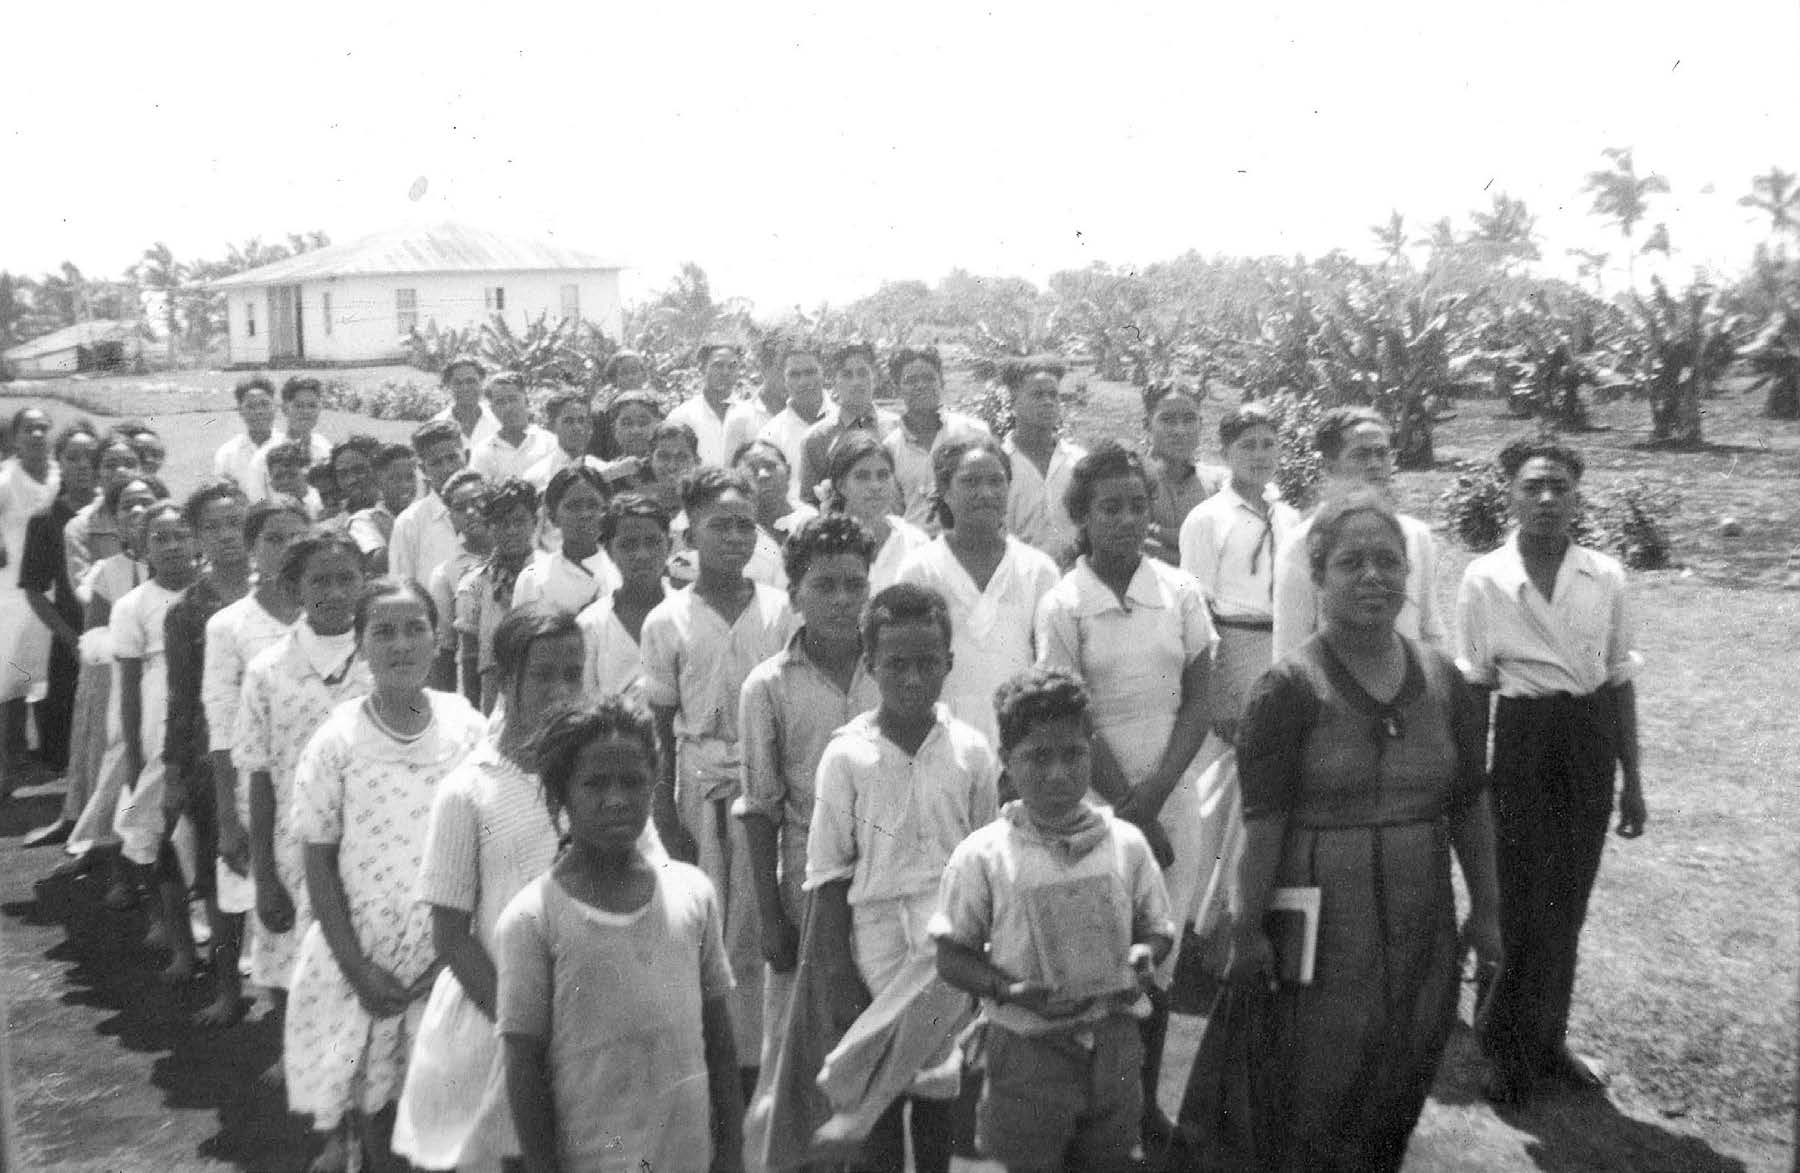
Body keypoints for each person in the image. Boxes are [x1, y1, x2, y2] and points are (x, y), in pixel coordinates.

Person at [1214, 491, 1502, 1172]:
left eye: (1388, 561)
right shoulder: (1288, 688)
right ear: (1318, 578)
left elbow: (1468, 804)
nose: (1373, 575)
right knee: (1311, 1102)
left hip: (1423, 930)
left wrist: (1488, 911)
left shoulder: (1444, 681)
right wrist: (1247, 927)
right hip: (1321, 944)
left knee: (1397, 1089)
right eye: (1351, 562)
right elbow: (1263, 825)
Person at [1034, 440, 1218, 1147]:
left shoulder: (1180, 591)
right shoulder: (1063, 602)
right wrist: (1128, 809)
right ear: (1082, 515)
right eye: (1109, 506)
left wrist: (1157, 797)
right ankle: (1093, 1111)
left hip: (1171, 791)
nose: (1125, 518)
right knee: (1097, 954)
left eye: (1137, 504)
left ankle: (1145, 1107)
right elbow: (1068, 708)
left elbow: (1199, 701)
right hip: (1095, 797)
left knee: (1159, 953)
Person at [1455, 442, 1646, 1105]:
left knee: (1569, 897)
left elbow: (1619, 677)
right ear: (1509, 493)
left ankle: (1549, 1038)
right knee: (1512, 896)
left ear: (1577, 497)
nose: (1545, 498)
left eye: (1558, 487)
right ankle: (1499, 1046)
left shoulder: (1605, 575)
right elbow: (1476, 681)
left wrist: (1634, 779)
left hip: (1588, 735)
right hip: (1523, 737)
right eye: (1532, 485)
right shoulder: (1484, 576)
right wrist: (1471, 775)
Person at [931, 667, 1175, 1172]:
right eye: (1038, 757)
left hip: (1113, 1044)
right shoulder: (985, 855)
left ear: (1092, 750)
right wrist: (1008, 989)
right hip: (1026, 1049)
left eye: (1074, 754)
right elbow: (952, 955)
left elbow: (1157, 927)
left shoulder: (1124, 843)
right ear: (1007, 764)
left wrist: (1144, 954)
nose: (1059, 773)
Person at [285, 578, 485, 1171]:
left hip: (449, 953)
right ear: (361, 644)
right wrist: (355, 966)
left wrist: (453, 955)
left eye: (415, 628)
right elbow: (317, 861)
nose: (401, 645)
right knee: (377, 1108)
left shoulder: (466, 726)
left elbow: (482, 841)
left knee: (446, 1109)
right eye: (384, 632)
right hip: (365, 957)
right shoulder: (337, 740)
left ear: (437, 636)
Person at [497, 700, 745, 1173]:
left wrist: (731, 1153)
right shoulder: (533, 919)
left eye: (632, 782)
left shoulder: (692, 894)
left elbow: (718, 1043)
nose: (616, 799)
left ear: (654, 785)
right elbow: (524, 1071)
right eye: (595, 784)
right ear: (559, 797)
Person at [804, 582, 999, 1173]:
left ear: (949, 663)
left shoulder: (971, 751)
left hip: (950, 946)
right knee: (877, 1092)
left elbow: (989, 862)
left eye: (927, 664)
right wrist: (838, 972)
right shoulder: (847, 757)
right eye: (896, 664)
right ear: (871, 665)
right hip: (876, 944)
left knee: (942, 1090)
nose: (912, 679)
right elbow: (829, 873)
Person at [392, 605, 588, 1171]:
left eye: (573, 674)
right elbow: (451, 934)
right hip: (496, 1015)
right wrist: (522, 1024)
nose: (561, 690)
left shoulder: (600, 776)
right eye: (543, 675)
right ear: (506, 682)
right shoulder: (470, 789)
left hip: (587, 1009)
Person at [643, 466, 798, 1087]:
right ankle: (710, 1075)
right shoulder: (668, 619)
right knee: (702, 934)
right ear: (690, 531)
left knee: (763, 928)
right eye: (719, 524)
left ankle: (764, 1074)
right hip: (698, 793)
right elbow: (659, 729)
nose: (734, 537)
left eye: (745, 525)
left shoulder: (780, 608)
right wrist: (664, 815)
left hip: (766, 792)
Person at [234, 533, 374, 1104]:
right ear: (293, 588)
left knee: (365, 970)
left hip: (372, 844)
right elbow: (259, 775)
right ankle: (313, 1090)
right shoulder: (268, 670)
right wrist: (264, 872)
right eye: (321, 581)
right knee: (297, 969)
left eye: (347, 579)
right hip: (296, 851)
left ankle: (364, 1095)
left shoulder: (384, 654)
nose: (336, 593)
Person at [739, 514, 881, 1076]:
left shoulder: (889, 671)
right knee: (800, 1037)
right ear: (794, 593)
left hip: (884, 869)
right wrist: (770, 916)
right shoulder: (768, 686)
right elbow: (758, 810)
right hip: (807, 877)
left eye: (855, 585)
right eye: (825, 586)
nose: (842, 600)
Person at [200, 498, 309, 1027]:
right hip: (260, 786)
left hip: (325, 784)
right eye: (273, 539)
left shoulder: (332, 612)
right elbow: (221, 730)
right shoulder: (229, 625)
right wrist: (227, 818)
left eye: (297, 538)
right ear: (251, 548)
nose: (286, 550)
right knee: (272, 907)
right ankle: (284, 1034)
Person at [896, 436, 1059, 748]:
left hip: (1022, 741)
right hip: (940, 742)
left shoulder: (1038, 570)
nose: (985, 493)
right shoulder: (920, 570)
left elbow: (1048, 668)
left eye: (996, 481)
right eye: (970, 482)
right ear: (945, 491)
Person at [155, 482, 254, 996]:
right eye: (212, 528)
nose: (226, 537)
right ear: (196, 538)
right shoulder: (187, 611)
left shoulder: (280, 594)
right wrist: (173, 774)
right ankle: (226, 988)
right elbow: (180, 700)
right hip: (212, 754)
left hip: (278, 749)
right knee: (221, 872)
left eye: (235, 523)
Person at [1271, 406, 1447, 660]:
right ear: (1329, 466)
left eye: (1382, 453)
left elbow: (1430, 628)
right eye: (1361, 455)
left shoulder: (1416, 535)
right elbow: (1289, 646)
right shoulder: (1302, 542)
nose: (1375, 464)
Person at [59, 476, 165, 893]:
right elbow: (94, 639)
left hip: (169, 688)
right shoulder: (109, 572)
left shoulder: (180, 564)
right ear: (116, 520)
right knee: (124, 775)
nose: (137, 512)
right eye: (127, 506)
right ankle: (124, 873)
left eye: (146, 503)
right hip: (126, 686)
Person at [108, 500, 201, 958]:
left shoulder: (211, 594)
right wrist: (132, 752)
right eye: (159, 538)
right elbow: (127, 686)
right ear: (142, 547)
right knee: (159, 828)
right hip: (155, 719)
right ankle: (169, 925)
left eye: (180, 534)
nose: (171, 546)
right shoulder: (132, 606)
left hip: (204, 715)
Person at [19, 422, 100, 817]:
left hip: (121, 631)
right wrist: (70, 637)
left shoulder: (118, 509)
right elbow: (35, 590)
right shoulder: (44, 519)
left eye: (90, 457)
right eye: (73, 457)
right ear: (59, 463)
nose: (83, 465)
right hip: (74, 636)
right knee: (74, 734)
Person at [0, 407, 62, 793]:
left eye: (43, 427)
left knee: (53, 670)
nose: (37, 435)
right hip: (12, 591)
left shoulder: (59, 474)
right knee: (13, 673)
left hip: (56, 584)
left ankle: (53, 756)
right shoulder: (5, 480)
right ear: (15, 437)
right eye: (29, 429)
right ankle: (14, 757)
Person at [576, 493, 671, 702]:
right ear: (609, 552)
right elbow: (584, 702)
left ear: (669, 545)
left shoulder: (688, 613)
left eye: (653, 542)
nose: (642, 554)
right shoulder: (591, 625)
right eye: (628, 544)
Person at [455, 478, 540, 713]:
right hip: (495, 697)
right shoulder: (474, 584)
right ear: (490, 526)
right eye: (502, 523)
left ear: (534, 522)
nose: (511, 530)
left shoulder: (549, 573)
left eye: (519, 521)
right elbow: (470, 658)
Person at [882, 347, 990, 532]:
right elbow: (892, 514)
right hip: (914, 552)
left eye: (929, 378)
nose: (921, 385)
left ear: (942, 382)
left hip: (967, 545)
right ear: (896, 388)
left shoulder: (974, 433)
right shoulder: (890, 448)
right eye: (911, 380)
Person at [1000, 357, 1087, 565]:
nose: (1048, 402)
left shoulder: (1079, 462)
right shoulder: (998, 465)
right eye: (1037, 395)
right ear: (1013, 401)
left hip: (1073, 579)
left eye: (1053, 395)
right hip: (1018, 580)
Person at [818, 431, 927, 591]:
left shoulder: (914, 541)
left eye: (883, 475)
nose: (875, 485)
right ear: (841, 486)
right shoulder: (821, 544)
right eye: (862, 476)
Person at [510, 465, 620, 615]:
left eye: (593, 505)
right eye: (574, 506)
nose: (585, 514)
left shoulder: (621, 571)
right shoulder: (533, 578)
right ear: (553, 516)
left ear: (606, 512)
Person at [1139, 381, 1227, 566]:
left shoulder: (1219, 485)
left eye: (1189, 419)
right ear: (1147, 425)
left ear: (1200, 424)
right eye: (1168, 420)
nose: (1180, 430)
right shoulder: (1131, 482)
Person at [798, 342, 897, 507]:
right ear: (834, 381)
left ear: (876, 377)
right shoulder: (817, 439)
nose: (856, 382)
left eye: (863, 373)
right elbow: (809, 505)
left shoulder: (895, 429)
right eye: (847, 375)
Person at [426, 471, 493, 694]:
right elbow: (444, 651)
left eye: (478, 502)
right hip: (477, 682)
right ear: (451, 518)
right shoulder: (445, 574)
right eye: (460, 508)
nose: (471, 512)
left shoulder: (521, 554)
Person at [391, 419, 470, 591]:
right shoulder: (410, 523)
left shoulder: (489, 509)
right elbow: (401, 586)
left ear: (467, 456)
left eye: (452, 458)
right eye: (436, 463)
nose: (447, 468)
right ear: (423, 469)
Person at [733, 438, 817, 590]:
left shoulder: (812, 520)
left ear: (789, 471)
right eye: (752, 468)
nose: (763, 475)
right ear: (736, 480)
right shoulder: (733, 534)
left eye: (770, 466)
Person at [63, 432, 141, 586]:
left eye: (130, 464)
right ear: (97, 474)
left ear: (141, 471)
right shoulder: (79, 528)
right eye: (111, 465)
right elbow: (84, 590)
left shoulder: (157, 516)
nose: (121, 471)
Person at [757, 341, 832, 500]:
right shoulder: (771, 435)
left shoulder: (848, 422)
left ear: (823, 373)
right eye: (794, 375)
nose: (804, 381)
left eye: (810, 372)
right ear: (784, 380)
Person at [243, 376, 331, 502]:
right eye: (298, 405)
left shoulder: (324, 447)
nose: (306, 411)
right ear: (285, 409)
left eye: (312, 405)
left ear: (319, 409)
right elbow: (257, 503)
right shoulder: (264, 456)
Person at [667, 343, 745, 468]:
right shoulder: (681, 417)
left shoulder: (750, 414)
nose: (725, 372)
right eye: (718, 365)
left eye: (732, 366)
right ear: (702, 368)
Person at [470, 373, 557, 483]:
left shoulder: (550, 443)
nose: (508, 407)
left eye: (513, 399)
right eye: (500, 402)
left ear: (526, 400)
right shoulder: (482, 452)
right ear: (492, 409)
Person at [348, 444, 417, 575]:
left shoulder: (426, 512)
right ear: (377, 482)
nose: (405, 485)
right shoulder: (364, 520)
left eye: (410, 477)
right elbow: (378, 562)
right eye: (395, 479)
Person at [523, 391, 601, 491]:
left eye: (582, 420)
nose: (577, 427)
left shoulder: (601, 469)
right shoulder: (535, 477)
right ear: (552, 426)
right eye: (568, 421)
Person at [214, 376, 280, 489]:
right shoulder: (227, 454)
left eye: (265, 404)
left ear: (275, 407)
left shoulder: (289, 446)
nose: (259, 411)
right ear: (240, 411)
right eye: (251, 406)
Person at [432, 358, 501, 459]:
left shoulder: (498, 421)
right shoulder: (437, 425)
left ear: (482, 382)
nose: (465, 388)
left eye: (471, 381)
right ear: (448, 386)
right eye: (458, 383)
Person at [645, 419, 702, 519]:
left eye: (682, 457)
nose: (672, 466)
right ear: (650, 460)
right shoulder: (640, 507)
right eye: (663, 456)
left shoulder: (707, 507)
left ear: (697, 461)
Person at [264, 439, 327, 520]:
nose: (285, 482)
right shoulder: (267, 516)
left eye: (292, 475)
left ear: (306, 475)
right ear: (271, 483)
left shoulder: (323, 504)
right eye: (278, 477)